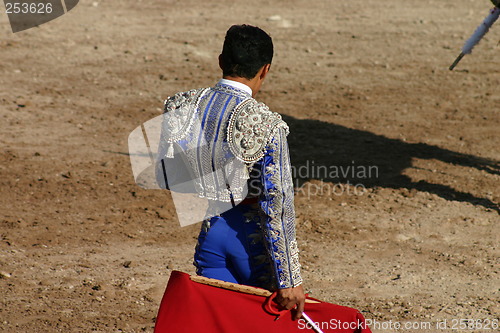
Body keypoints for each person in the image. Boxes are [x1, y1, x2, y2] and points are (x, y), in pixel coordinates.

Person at [157, 24, 305, 320]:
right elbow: (277, 206)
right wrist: (290, 281)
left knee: (218, 323)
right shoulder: (268, 124)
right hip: (252, 246)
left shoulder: (179, 105)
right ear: (265, 69)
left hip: (212, 235)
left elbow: (167, 176)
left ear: (221, 61)